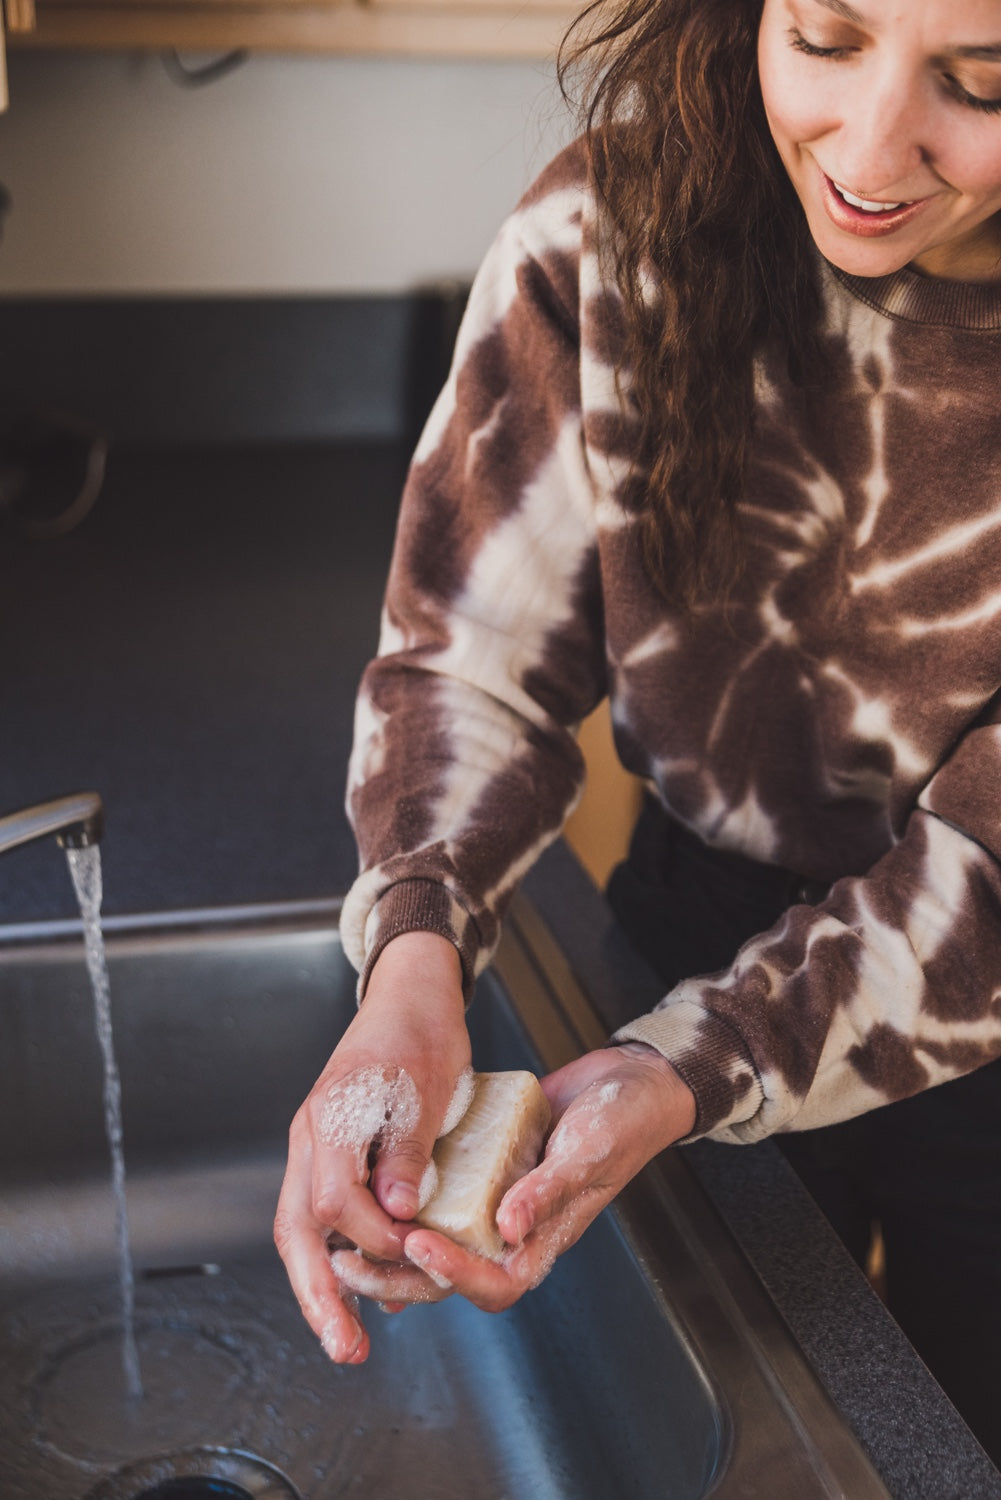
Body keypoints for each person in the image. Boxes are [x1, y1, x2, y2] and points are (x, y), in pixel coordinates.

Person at [275, 0, 1001, 1460]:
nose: (867, 148)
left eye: (979, 82)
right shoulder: (612, 235)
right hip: (684, 925)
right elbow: (467, 655)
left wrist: (701, 1061)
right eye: (823, 38)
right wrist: (413, 952)